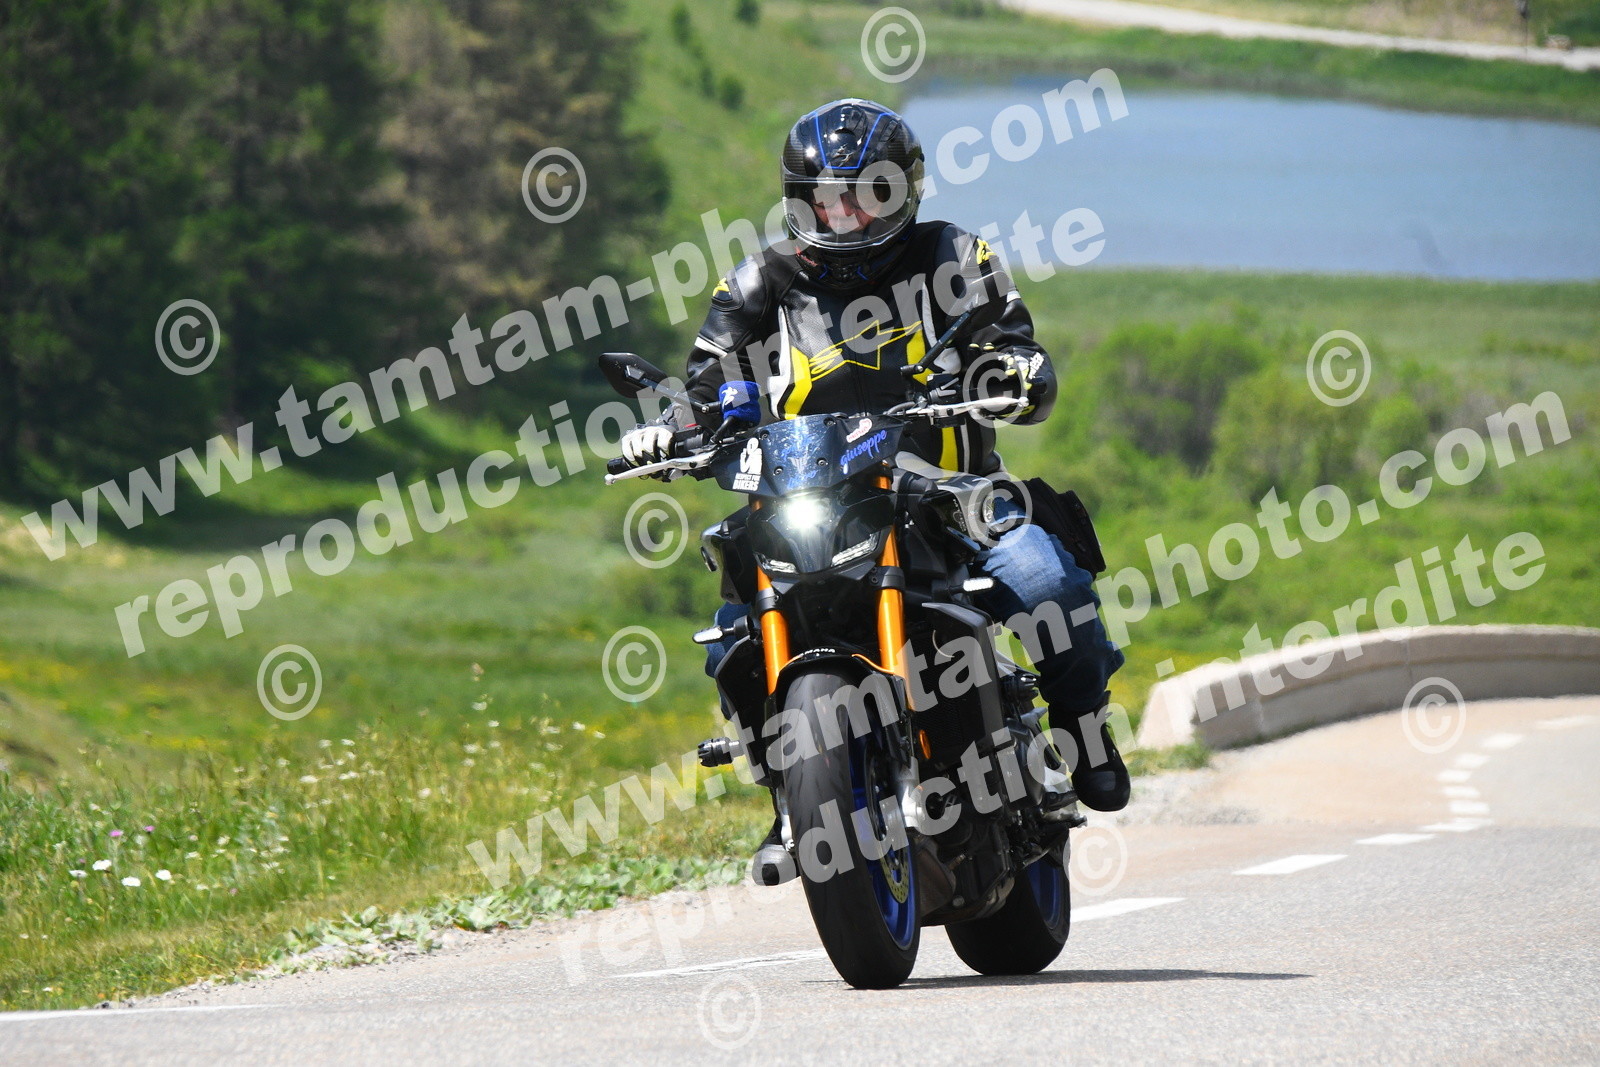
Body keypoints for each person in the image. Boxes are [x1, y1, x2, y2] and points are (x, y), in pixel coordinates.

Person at [619, 99, 1128, 884]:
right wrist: (670, 430)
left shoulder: (951, 254)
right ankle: (790, 794)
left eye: (867, 194)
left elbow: (1009, 344)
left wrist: (1012, 373)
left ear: (903, 191)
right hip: (812, 497)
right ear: (801, 201)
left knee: (1046, 579)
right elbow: (708, 386)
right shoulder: (760, 281)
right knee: (731, 635)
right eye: (828, 198)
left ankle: (1084, 729)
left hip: (951, 493)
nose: (847, 213)